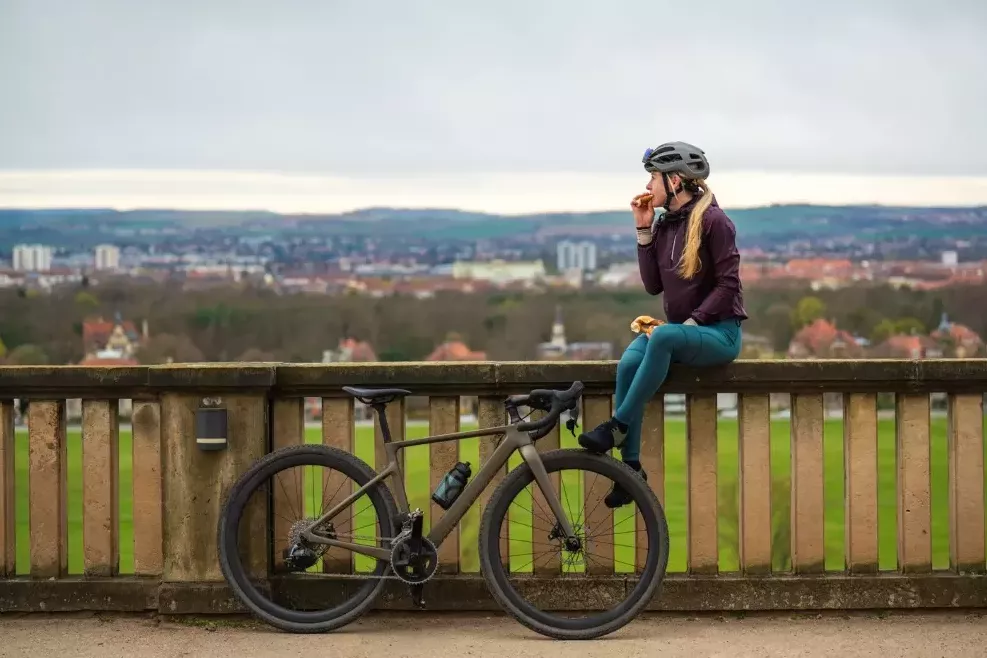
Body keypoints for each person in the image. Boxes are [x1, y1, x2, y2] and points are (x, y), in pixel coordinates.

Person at [577, 141, 748, 507]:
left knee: (665, 335)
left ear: (674, 180)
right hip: (679, 334)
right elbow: (654, 285)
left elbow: (729, 285)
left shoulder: (716, 222)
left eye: (653, 178)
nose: (648, 187)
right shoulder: (665, 223)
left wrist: (691, 323)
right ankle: (631, 469)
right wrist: (643, 230)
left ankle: (617, 427)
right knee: (629, 361)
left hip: (719, 333)